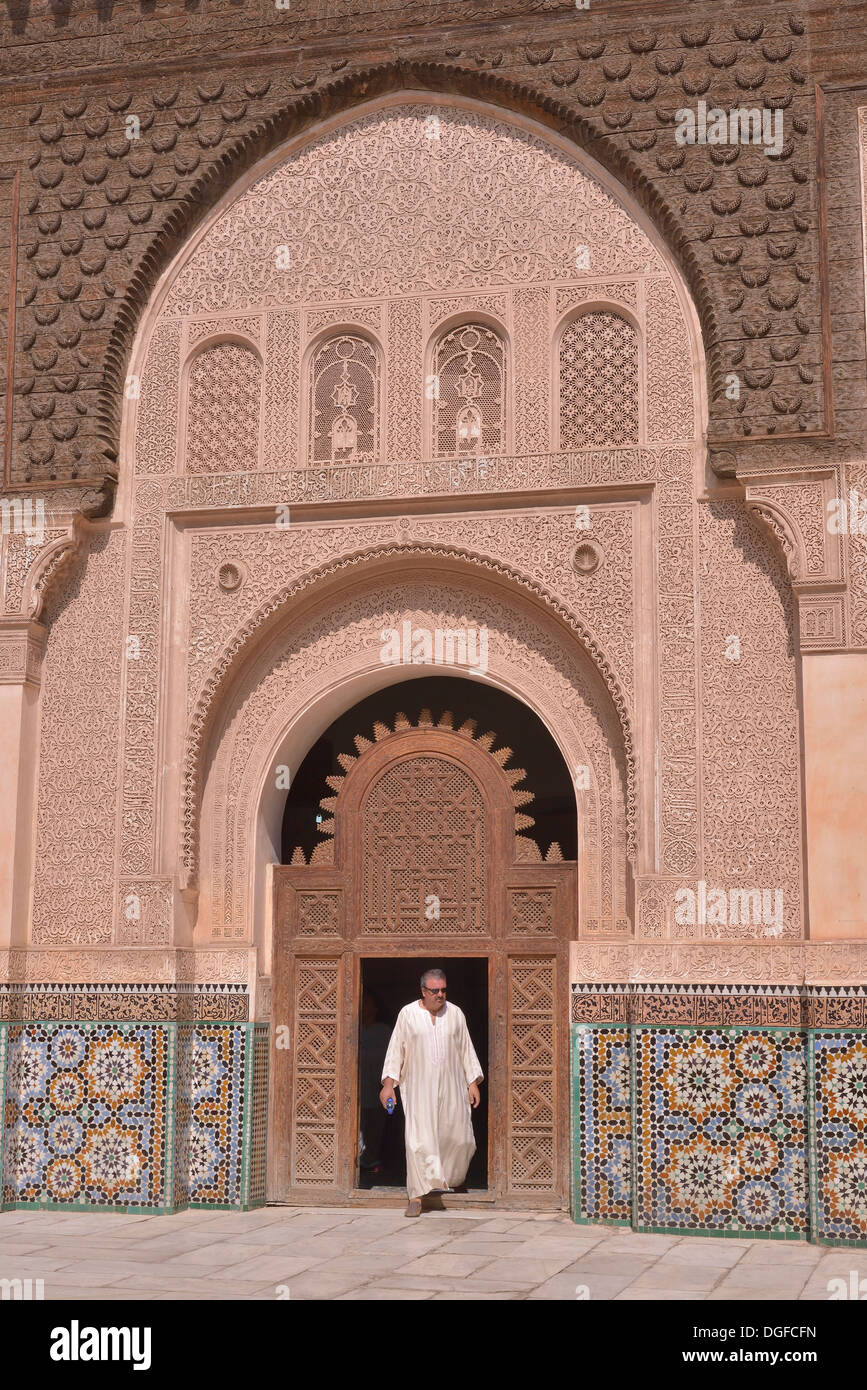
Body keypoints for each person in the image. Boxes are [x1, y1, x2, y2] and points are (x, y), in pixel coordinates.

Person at [379, 967, 483, 1217]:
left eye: (444, 990)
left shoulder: (455, 1014)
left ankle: (446, 1180)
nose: (440, 995)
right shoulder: (408, 1014)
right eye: (435, 990)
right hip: (418, 1087)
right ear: (423, 991)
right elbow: (396, 1050)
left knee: (460, 1138)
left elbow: (465, 1048)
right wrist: (388, 1085)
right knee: (418, 1140)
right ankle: (415, 1195)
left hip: (452, 1086)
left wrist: (472, 1082)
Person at [359, 993, 392, 1176]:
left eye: (367, 1003)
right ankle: (359, 1161)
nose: (364, 1007)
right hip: (358, 1086)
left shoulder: (383, 1031)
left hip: (379, 1087)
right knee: (359, 1124)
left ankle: (372, 1160)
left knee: (376, 1125)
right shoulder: (356, 1028)